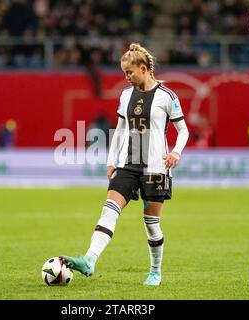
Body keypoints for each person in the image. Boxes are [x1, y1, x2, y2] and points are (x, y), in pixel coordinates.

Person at [62, 43, 190, 286]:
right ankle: (89, 259)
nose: (126, 77)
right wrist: (112, 161)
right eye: (124, 73)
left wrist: (176, 152)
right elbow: (120, 131)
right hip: (128, 165)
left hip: (156, 168)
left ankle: (155, 271)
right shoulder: (125, 95)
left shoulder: (167, 97)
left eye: (130, 72)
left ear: (143, 68)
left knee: (151, 225)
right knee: (109, 209)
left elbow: (183, 130)